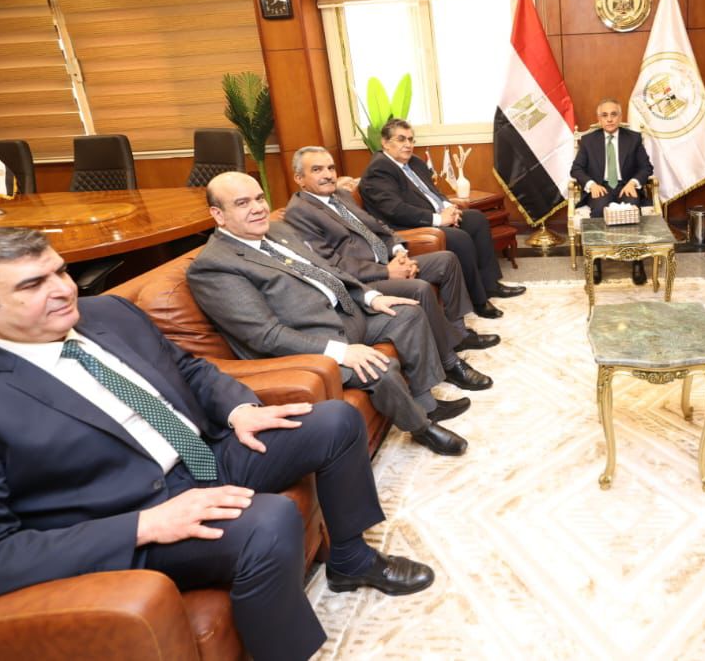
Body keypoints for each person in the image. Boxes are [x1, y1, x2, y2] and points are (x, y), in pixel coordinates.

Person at [0, 227, 433, 661]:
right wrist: (144, 525)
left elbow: (187, 367)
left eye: (60, 271)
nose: (63, 290)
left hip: (203, 453)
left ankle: (350, 560)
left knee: (335, 420)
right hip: (133, 511)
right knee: (268, 521)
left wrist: (239, 409)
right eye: (34, 284)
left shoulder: (108, 313)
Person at [188, 172, 485, 457]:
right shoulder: (214, 266)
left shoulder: (276, 231)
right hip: (309, 344)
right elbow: (265, 335)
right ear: (218, 215)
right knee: (378, 367)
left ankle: (426, 404)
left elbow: (327, 270)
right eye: (242, 203)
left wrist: (370, 296)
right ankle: (422, 428)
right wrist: (341, 352)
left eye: (259, 198)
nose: (257, 208)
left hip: (341, 314)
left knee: (408, 314)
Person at [284, 145, 500, 359]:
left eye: (331, 168)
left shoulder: (341, 195)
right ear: (299, 178)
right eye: (317, 170)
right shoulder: (300, 213)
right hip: (361, 281)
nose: (328, 175)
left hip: (387, 261)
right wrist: (387, 272)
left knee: (447, 261)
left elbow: (377, 226)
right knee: (420, 288)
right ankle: (449, 361)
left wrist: (398, 252)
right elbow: (332, 265)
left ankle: (460, 334)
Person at [360, 119, 524, 318]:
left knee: (476, 219)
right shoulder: (378, 170)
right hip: (405, 228)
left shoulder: (414, 162)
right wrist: (438, 219)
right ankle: (478, 300)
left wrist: (449, 208)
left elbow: (433, 192)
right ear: (385, 143)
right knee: (459, 238)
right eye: (401, 139)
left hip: (433, 216)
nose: (408, 144)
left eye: (411, 139)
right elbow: (395, 210)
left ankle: (490, 284)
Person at [570, 97, 654, 284]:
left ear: (620, 117)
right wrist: (591, 185)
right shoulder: (588, 141)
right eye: (605, 115)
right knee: (599, 209)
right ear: (599, 119)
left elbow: (646, 167)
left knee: (632, 208)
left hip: (626, 186)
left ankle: (636, 261)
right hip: (602, 187)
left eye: (613, 114)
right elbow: (576, 169)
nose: (609, 119)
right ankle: (596, 261)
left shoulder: (633, 139)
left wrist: (633, 182)